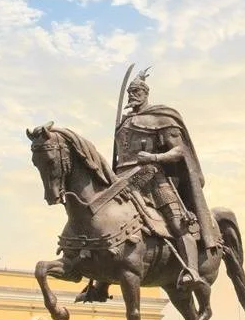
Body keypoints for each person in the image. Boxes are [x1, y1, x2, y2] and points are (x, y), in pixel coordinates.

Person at [77, 69, 218, 301]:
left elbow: (179, 151)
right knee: (105, 223)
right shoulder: (124, 123)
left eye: (136, 91)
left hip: (153, 178)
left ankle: (191, 270)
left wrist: (154, 157)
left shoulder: (161, 118)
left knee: (177, 222)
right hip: (121, 181)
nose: (132, 95)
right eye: (130, 92)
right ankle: (99, 286)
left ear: (145, 93)